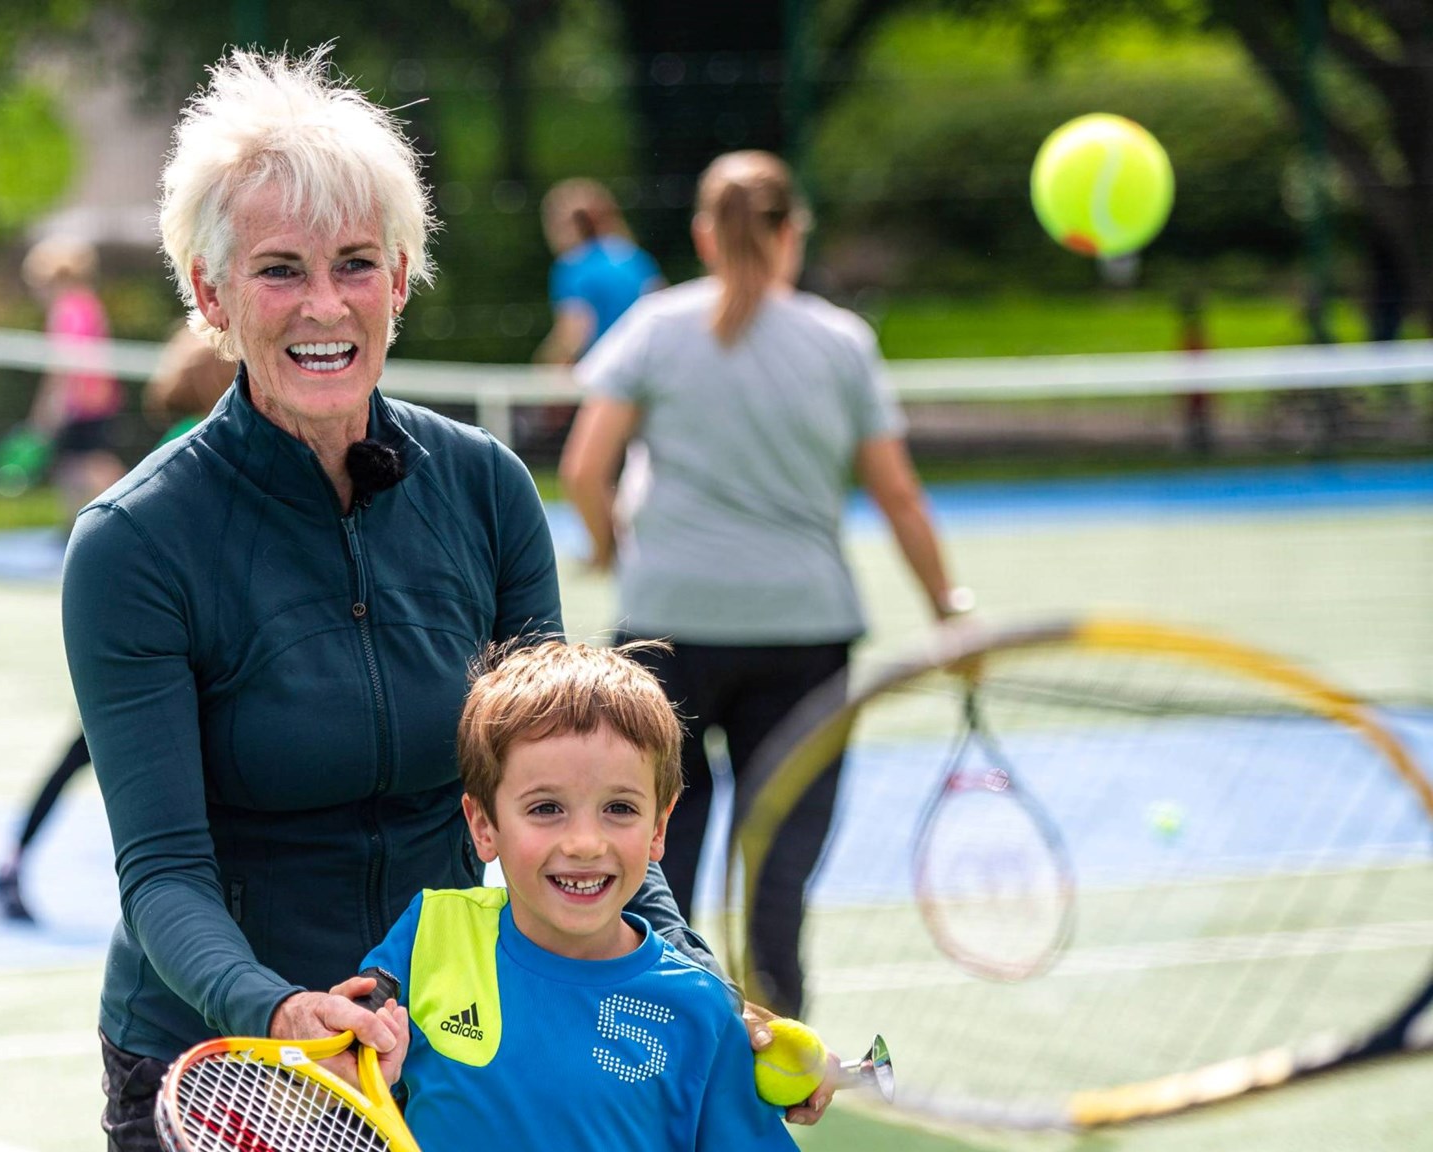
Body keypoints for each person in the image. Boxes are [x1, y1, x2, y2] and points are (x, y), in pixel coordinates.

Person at [61, 48, 773, 1151]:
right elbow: (162, 874)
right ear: (209, 294)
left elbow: (575, 779)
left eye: (354, 264)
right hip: (226, 1062)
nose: (324, 305)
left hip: (446, 1040)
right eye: (278, 270)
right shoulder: (132, 548)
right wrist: (278, 1010)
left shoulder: (485, 487)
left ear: (398, 280)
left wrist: (700, 995)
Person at [560, 151, 970, 1020]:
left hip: (666, 625)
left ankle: (654, 1029)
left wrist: (610, 547)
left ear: (705, 235)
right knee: (781, 853)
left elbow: (585, 468)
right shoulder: (840, 343)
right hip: (805, 630)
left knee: (656, 842)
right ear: (791, 235)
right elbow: (897, 495)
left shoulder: (653, 327)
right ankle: (777, 1034)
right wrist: (949, 609)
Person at [360, 639, 799, 1151]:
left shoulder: (700, 1009)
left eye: (619, 808)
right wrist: (362, 1067)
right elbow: (344, 1074)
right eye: (546, 808)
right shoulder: (430, 933)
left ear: (659, 827)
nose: (586, 844)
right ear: (483, 825)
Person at [0, 327, 233, 925]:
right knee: (96, 757)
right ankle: (15, 860)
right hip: (171, 648)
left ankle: (14, 859)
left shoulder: (222, 439)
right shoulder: (203, 444)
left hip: (188, 645)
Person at [23, 236, 125, 521]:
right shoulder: (89, 303)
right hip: (98, 400)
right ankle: (75, 527)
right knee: (74, 465)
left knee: (89, 465)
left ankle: (124, 514)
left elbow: (63, 365)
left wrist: (45, 413)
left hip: (84, 403)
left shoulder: (66, 309)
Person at [535, 178, 665, 367]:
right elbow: (663, 309)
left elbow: (574, 334)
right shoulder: (636, 257)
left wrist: (547, 373)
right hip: (646, 369)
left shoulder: (573, 266)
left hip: (604, 376)